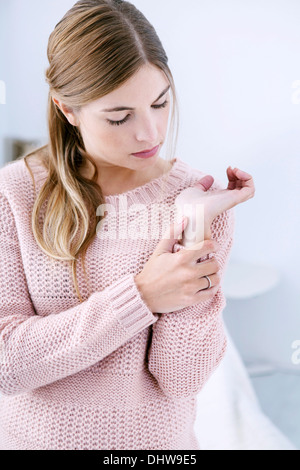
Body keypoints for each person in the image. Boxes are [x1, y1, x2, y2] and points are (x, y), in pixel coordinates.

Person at [0, 0, 255, 450]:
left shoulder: (196, 203)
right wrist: (142, 295)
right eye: (119, 116)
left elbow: (181, 378)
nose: (150, 133)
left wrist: (193, 227)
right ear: (67, 110)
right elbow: (7, 364)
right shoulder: (15, 194)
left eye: (160, 103)